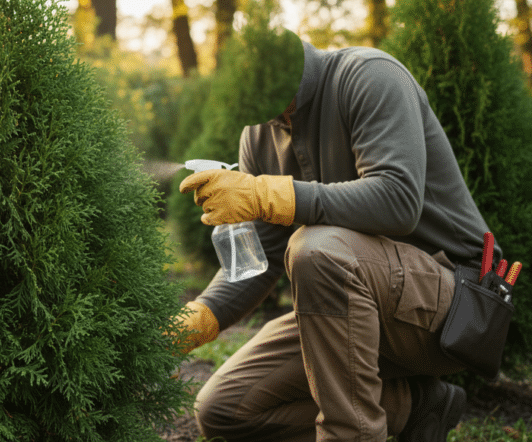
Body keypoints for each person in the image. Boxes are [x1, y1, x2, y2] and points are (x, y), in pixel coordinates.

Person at [177, 30, 498, 442]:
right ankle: (418, 407)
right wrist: (200, 317)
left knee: (315, 249)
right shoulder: (257, 135)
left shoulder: (369, 76)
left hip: (452, 301)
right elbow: (264, 257)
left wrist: (269, 194)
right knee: (227, 408)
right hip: (349, 298)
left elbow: (397, 200)